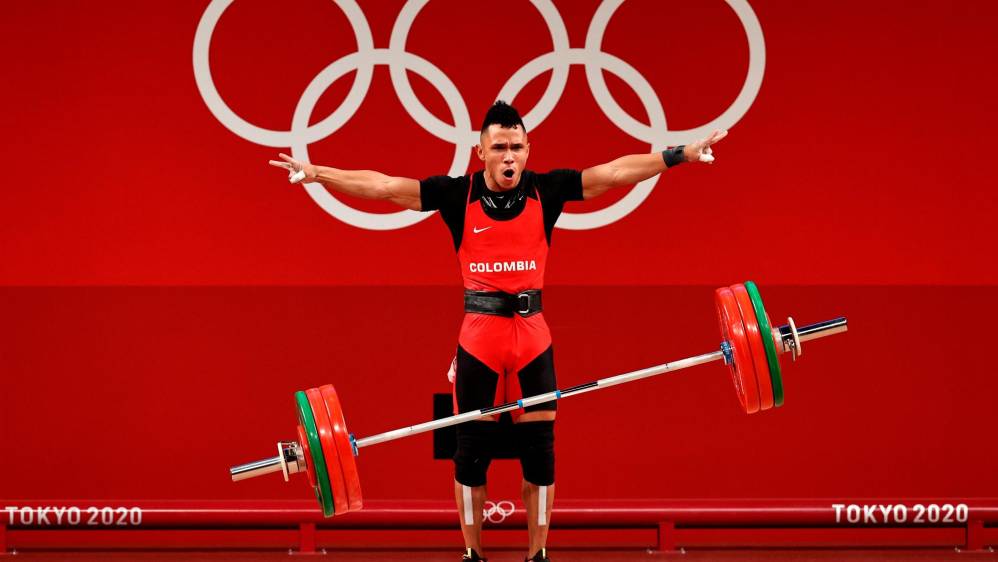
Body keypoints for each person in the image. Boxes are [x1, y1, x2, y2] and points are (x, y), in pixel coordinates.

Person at [270, 101, 727, 562]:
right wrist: (318, 173)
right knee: (469, 456)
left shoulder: (547, 190)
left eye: (516, 147)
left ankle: (538, 555)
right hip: (479, 339)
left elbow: (611, 173)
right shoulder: (456, 195)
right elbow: (385, 186)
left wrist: (679, 155)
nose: (509, 157)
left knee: (540, 458)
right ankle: (472, 555)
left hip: (533, 337)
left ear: (528, 150)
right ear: (480, 151)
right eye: (500, 147)